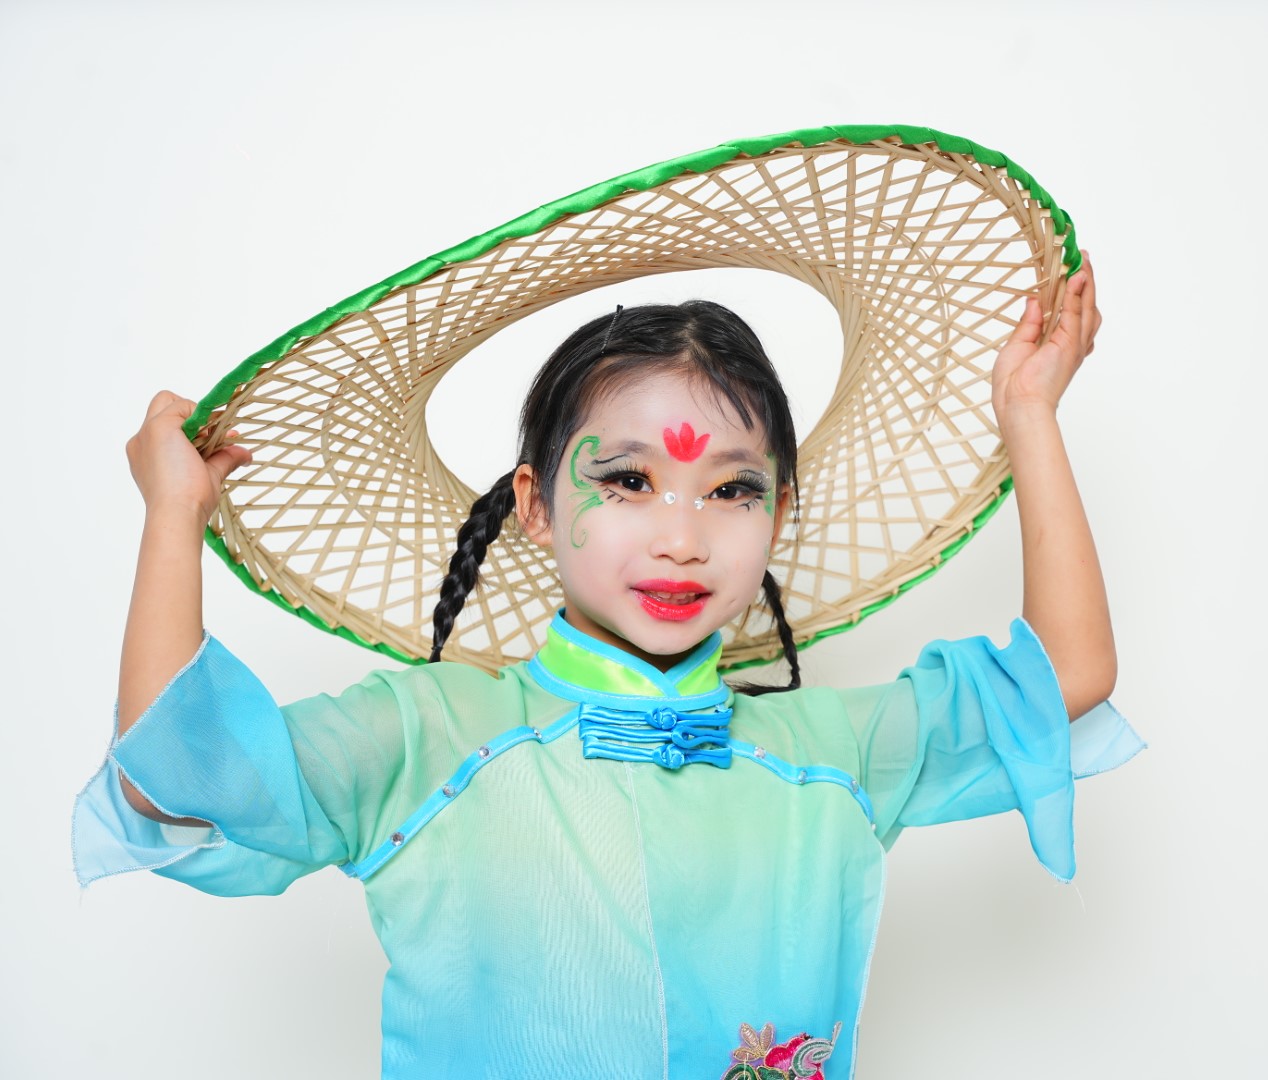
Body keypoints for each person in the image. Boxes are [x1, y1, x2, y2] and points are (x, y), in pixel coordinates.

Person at [73, 254, 1143, 1079]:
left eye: (732, 491)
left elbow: (1068, 676)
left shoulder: (833, 754)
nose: (683, 538)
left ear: (779, 515)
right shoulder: (428, 736)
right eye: (628, 481)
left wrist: (1029, 415)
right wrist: (174, 515)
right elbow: (173, 774)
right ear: (535, 505)